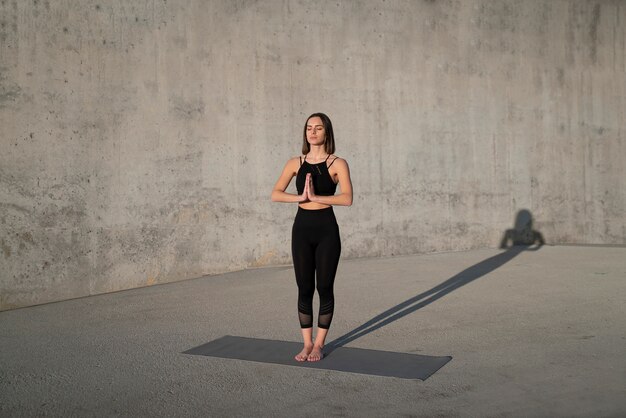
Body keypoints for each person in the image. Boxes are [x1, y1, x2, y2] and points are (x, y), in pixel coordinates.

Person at [271, 113, 353, 362]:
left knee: (324, 287)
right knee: (304, 287)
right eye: (309, 128)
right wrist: (300, 198)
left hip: (326, 229)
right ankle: (306, 344)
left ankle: (319, 344)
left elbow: (347, 198)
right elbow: (275, 193)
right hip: (302, 229)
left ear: (327, 132)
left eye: (318, 128)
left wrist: (318, 198)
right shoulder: (294, 163)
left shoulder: (338, 163)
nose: (313, 131)